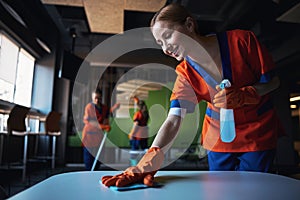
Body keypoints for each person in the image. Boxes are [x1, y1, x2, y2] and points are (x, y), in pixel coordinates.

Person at [102, 3, 283, 187]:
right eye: (160, 43)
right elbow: (173, 120)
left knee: (256, 189)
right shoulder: (185, 74)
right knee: (220, 191)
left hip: (257, 133)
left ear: (189, 25)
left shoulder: (242, 41)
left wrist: (247, 94)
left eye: (167, 36)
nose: (166, 48)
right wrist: (148, 162)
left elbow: (273, 82)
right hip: (218, 139)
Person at [82, 88, 111, 170]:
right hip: (89, 136)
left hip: (99, 136)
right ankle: (88, 174)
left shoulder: (104, 108)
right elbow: (89, 121)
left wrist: (106, 124)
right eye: (95, 98)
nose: (97, 100)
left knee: (99, 157)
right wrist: (103, 126)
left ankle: (95, 172)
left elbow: (106, 118)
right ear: (92, 97)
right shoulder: (89, 107)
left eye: (99, 98)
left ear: (101, 97)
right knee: (89, 158)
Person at [128, 100, 150, 165]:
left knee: (134, 153)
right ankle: (143, 166)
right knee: (144, 152)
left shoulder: (138, 114)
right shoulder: (146, 113)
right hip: (145, 135)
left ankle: (133, 166)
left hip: (137, 136)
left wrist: (131, 133)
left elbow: (136, 125)